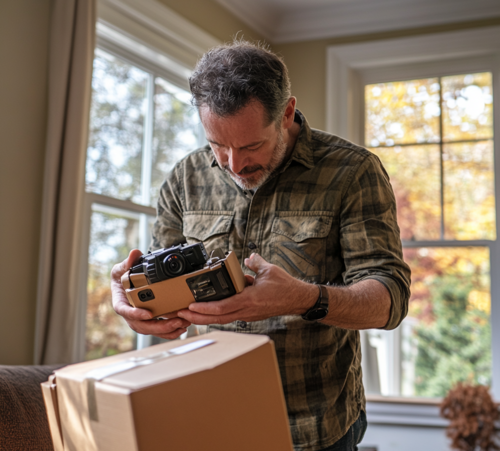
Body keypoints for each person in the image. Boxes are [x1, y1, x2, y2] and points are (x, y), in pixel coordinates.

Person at [111, 40, 411, 451]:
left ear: (286, 113)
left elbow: (390, 300)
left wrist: (303, 299)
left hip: (315, 431)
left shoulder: (352, 171)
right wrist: (135, 304)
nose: (234, 164)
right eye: (218, 145)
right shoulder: (185, 178)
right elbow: (160, 284)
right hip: (208, 421)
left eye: (251, 146)